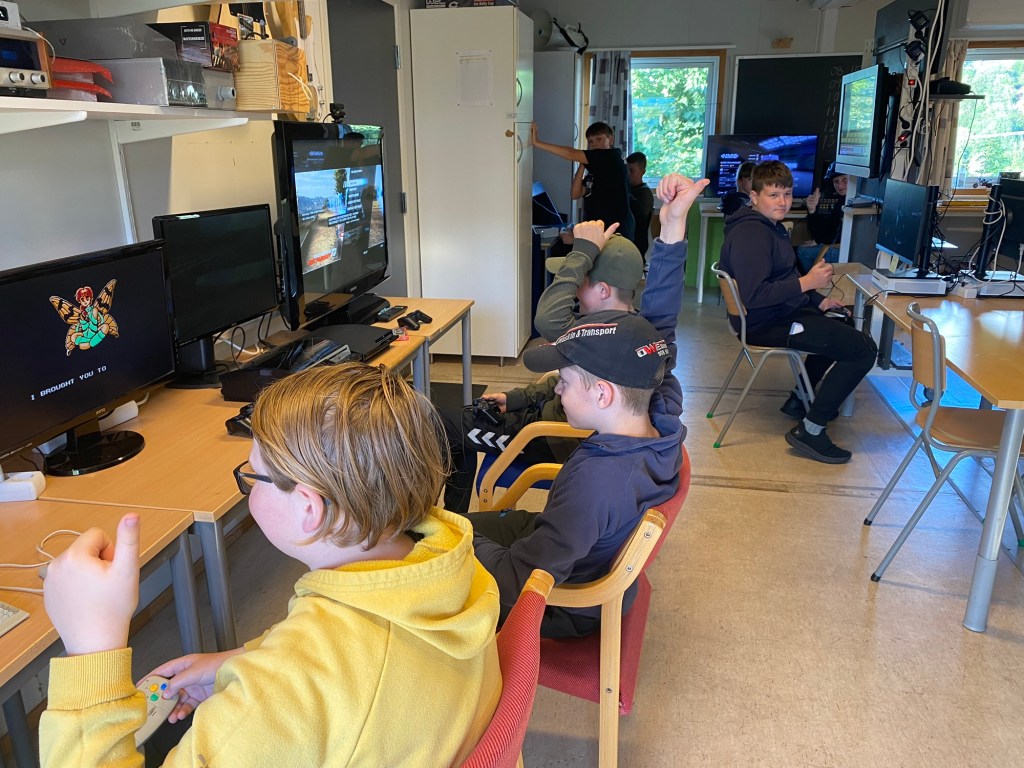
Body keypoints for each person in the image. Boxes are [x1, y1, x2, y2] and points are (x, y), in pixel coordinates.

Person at [39, 364, 502, 768]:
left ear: (309, 507)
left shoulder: (281, 694)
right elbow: (345, 657)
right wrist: (247, 660)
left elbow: (311, 679)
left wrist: (90, 651)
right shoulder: (451, 565)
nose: (247, 485)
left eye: (252, 475)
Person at [469, 172, 704, 638]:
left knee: (434, 545)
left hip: (562, 603)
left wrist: (456, 545)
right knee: (446, 528)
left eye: (565, 382)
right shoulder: (658, 406)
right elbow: (661, 319)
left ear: (602, 394)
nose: (557, 389)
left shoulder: (596, 484)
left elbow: (519, 581)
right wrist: (672, 225)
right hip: (570, 550)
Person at [441, 228, 646, 515]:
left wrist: (583, 251)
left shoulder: (599, 337)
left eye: (580, 281)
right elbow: (559, 381)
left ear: (603, 290)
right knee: (459, 421)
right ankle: (454, 518)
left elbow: (548, 319)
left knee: (446, 426)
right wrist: (516, 398)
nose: (574, 290)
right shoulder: (629, 328)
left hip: (549, 437)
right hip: (547, 420)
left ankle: (453, 521)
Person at [718, 160, 877, 465]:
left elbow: (784, 278)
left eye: (787, 194)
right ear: (754, 196)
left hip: (781, 313)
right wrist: (807, 283)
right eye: (773, 195)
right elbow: (754, 297)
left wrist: (817, 300)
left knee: (843, 324)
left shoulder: (769, 227)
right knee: (862, 351)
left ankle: (800, 399)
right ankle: (811, 430)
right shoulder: (751, 234)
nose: (783, 202)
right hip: (764, 323)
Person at [532, 120, 636, 242]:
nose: (594, 144)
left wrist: (537, 143)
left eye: (599, 139)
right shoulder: (599, 167)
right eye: (591, 141)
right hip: (600, 230)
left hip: (616, 230)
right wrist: (583, 164)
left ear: (611, 139)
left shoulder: (612, 156)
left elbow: (570, 153)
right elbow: (575, 194)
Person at [795, 162, 849, 271]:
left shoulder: (848, 203)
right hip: (833, 246)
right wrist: (812, 211)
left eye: (845, 180)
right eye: (836, 181)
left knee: (802, 251)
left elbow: (829, 237)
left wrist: (819, 241)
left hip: (844, 252)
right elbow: (822, 231)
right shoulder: (839, 200)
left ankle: (814, 280)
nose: (840, 185)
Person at [626, 151, 654, 258]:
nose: (628, 174)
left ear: (643, 172)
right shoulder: (629, 189)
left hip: (636, 246)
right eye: (626, 170)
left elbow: (638, 219)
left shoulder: (644, 193)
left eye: (632, 171)